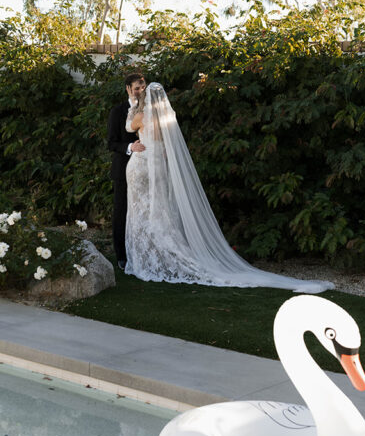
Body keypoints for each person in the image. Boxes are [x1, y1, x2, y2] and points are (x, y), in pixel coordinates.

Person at [123, 81, 335, 293]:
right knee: (159, 211)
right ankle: (160, 254)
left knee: (140, 210)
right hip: (160, 168)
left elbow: (128, 126)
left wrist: (133, 103)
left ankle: (147, 258)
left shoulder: (141, 117)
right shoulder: (168, 118)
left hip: (141, 165)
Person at [107, 72, 147, 271]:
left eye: (143, 87)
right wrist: (131, 147)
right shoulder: (118, 111)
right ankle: (122, 255)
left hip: (147, 169)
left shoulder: (151, 109)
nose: (140, 91)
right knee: (122, 212)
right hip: (124, 168)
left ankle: (142, 251)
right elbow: (111, 143)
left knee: (143, 212)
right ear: (128, 89)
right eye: (136, 88)